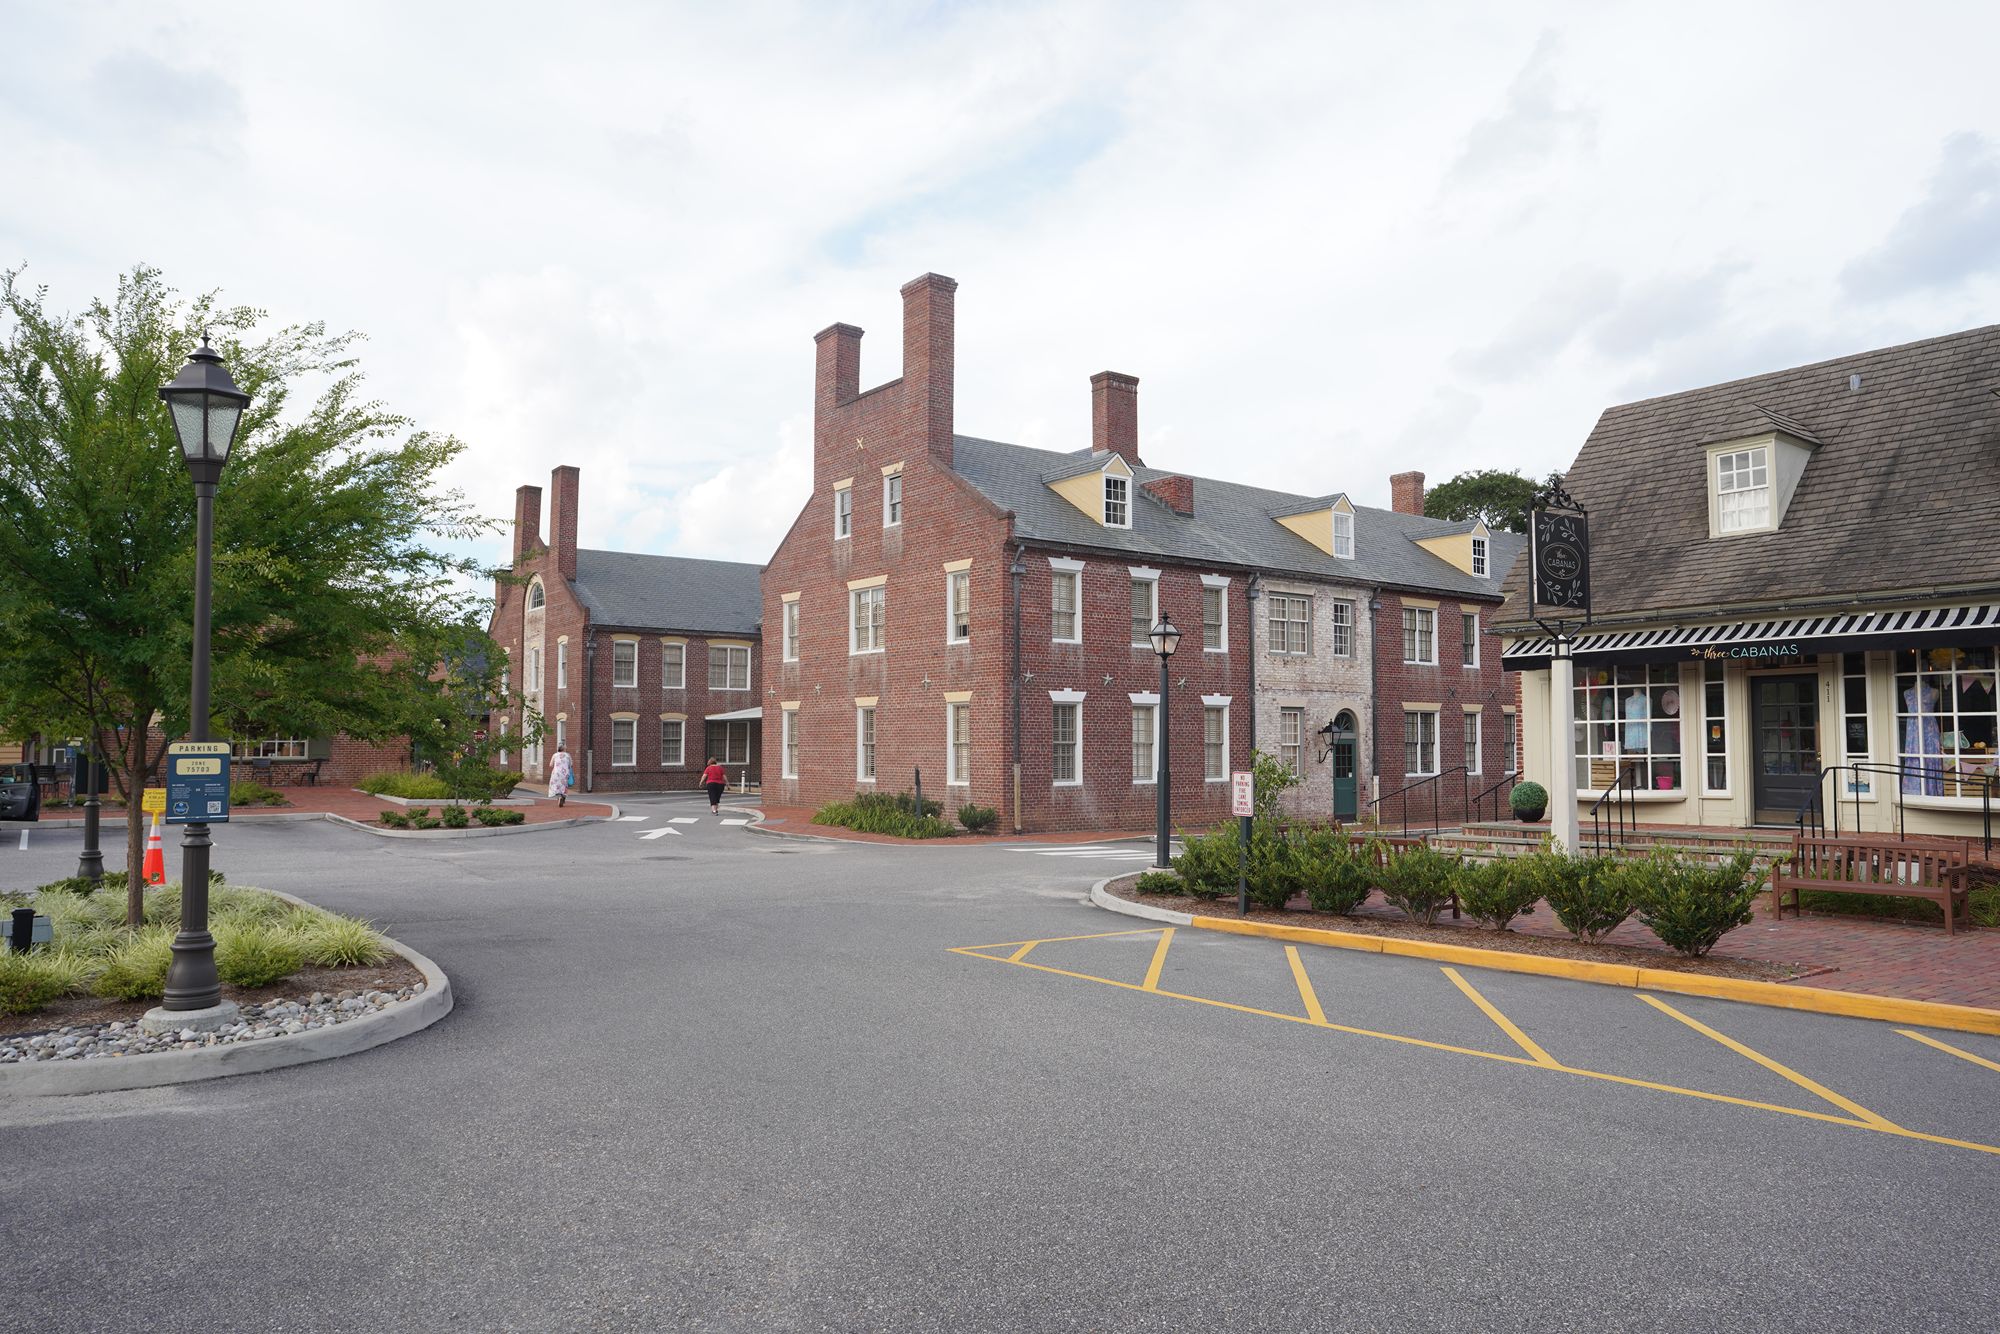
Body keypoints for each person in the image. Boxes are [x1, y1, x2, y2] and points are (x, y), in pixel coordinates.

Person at [548, 743, 574, 808]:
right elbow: (571, 764)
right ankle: (563, 798)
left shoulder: (555, 755)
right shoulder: (567, 755)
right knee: (564, 786)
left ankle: (559, 796)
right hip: (565, 773)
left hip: (556, 773)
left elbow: (551, 765)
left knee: (556, 785)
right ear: (564, 749)